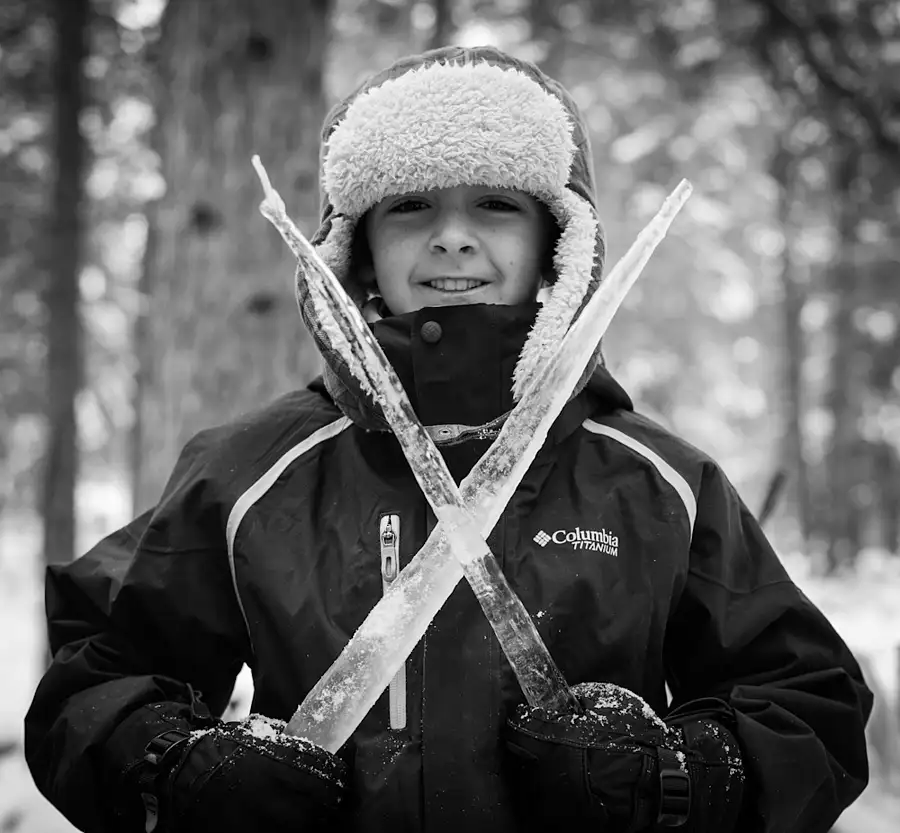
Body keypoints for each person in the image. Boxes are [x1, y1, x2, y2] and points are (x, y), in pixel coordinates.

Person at [25, 45, 872, 833]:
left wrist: (675, 781)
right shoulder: (249, 473)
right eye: (411, 204)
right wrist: (177, 768)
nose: (453, 235)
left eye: (496, 203)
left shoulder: (659, 483)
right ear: (357, 245)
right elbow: (96, 676)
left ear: (557, 241)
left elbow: (807, 701)